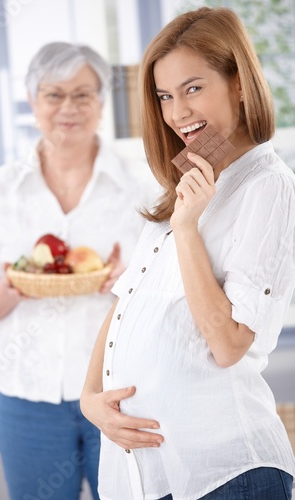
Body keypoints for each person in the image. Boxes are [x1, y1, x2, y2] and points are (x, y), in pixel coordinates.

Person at [80, 7, 295, 500]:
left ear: (238, 82)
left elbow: (230, 343)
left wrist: (186, 229)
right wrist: (91, 398)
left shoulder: (268, 186)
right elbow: (126, 302)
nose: (177, 113)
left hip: (226, 473)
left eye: (193, 88)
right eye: (164, 96)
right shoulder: (183, 185)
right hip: (151, 474)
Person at [0, 42, 157, 500]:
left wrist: (127, 280)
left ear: (102, 103)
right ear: (32, 102)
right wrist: (15, 285)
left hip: (123, 394)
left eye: (83, 95)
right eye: (54, 95)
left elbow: (171, 292)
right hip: (27, 401)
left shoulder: (142, 186)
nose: (69, 108)